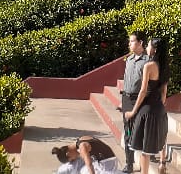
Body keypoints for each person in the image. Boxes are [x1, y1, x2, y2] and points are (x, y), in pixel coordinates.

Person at [125, 38, 170, 174]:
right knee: (157, 142)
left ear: (154, 49)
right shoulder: (165, 67)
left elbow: (143, 91)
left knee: (145, 151)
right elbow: (164, 93)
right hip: (159, 109)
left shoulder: (149, 66)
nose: (147, 48)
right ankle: (162, 164)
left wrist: (133, 112)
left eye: (149, 46)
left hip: (147, 109)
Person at [120, 31, 149, 173]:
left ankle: (147, 158)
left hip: (139, 100)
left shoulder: (147, 62)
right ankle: (129, 163)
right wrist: (123, 101)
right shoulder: (129, 60)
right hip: (126, 99)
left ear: (140, 43)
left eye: (132, 41)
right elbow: (126, 80)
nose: (129, 44)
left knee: (140, 132)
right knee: (128, 132)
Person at [52, 136, 123, 174]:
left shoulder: (82, 147)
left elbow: (89, 164)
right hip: (105, 160)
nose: (75, 158)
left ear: (68, 153)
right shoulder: (79, 140)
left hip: (107, 163)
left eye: (72, 159)